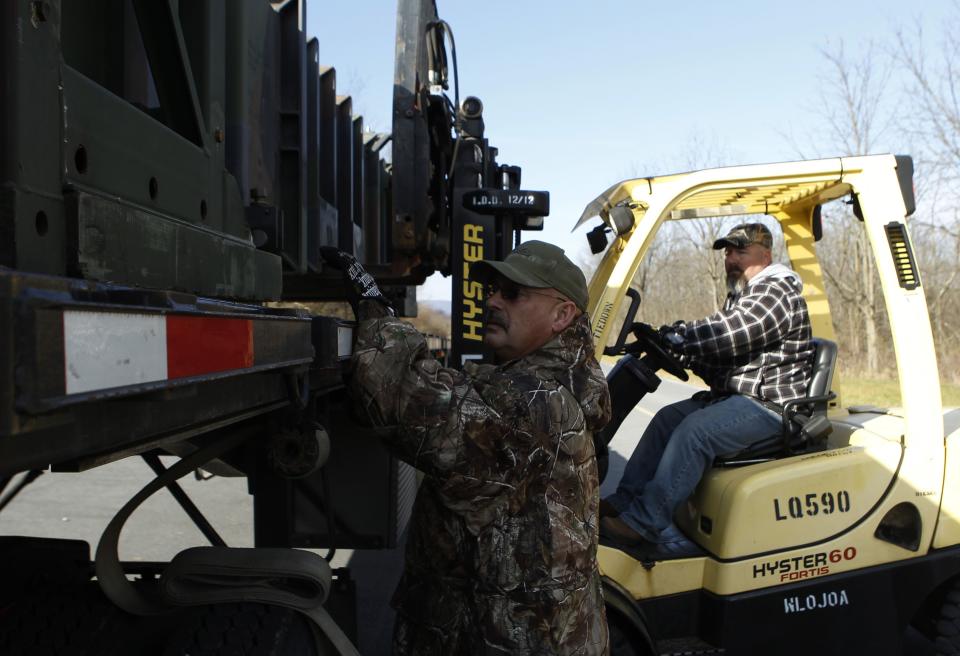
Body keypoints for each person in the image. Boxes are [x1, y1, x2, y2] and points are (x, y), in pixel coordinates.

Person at [322, 241, 611, 655]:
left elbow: (408, 400)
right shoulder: (556, 386)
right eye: (493, 288)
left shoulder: (537, 402)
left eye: (512, 293)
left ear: (562, 316)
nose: (491, 300)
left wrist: (375, 308)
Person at [600, 223, 814, 558]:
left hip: (770, 407)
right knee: (666, 418)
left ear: (766, 255)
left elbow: (736, 332)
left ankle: (643, 523)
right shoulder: (744, 295)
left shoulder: (777, 291)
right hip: (738, 398)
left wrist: (682, 335)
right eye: (728, 252)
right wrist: (679, 351)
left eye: (741, 251)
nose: (731, 259)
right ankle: (623, 504)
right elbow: (722, 355)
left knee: (695, 432)